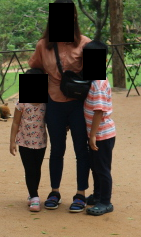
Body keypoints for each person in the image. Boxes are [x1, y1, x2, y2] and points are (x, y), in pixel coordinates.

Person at [28, 0, 92, 212]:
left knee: (81, 150)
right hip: (54, 104)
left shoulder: (85, 44)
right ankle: (54, 191)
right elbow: (34, 72)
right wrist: (29, 111)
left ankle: (80, 193)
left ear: (74, 18)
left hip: (78, 105)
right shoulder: (43, 45)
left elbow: (98, 80)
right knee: (57, 150)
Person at [82, 40, 116, 216]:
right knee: (95, 166)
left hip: (102, 134)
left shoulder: (99, 83)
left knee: (102, 169)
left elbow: (99, 111)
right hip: (96, 134)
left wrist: (93, 135)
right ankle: (97, 195)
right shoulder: (93, 80)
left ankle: (106, 202)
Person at [9, 70, 48, 212]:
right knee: (29, 169)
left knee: (36, 169)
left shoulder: (45, 102)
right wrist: (12, 142)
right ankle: (35, 196)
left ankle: (32, 193)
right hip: (24, 142)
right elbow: (15, 123)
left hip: (41, 143)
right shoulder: (22, 103)